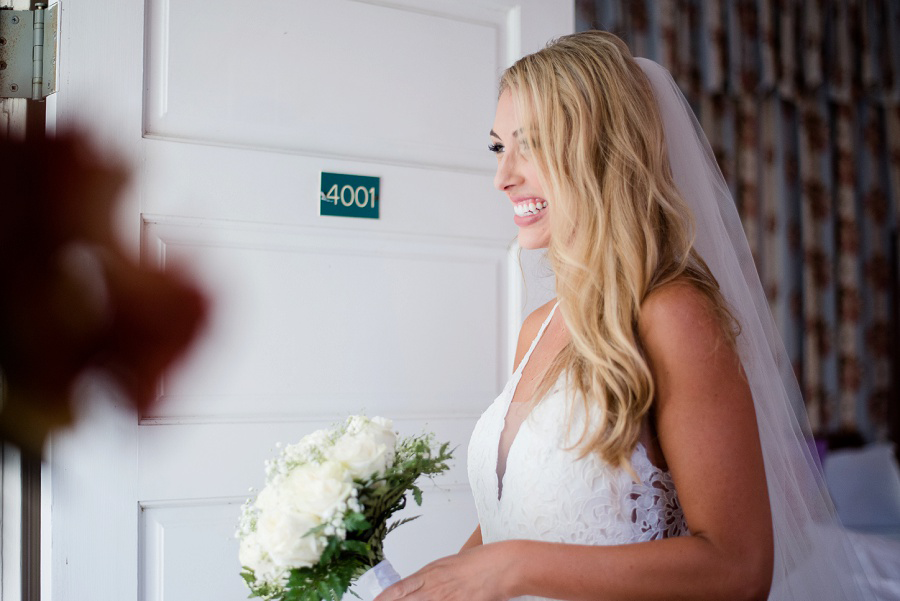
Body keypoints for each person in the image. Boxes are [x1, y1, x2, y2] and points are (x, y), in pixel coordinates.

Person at [374, 31, 895, 601]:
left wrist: (513, 567)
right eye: (499, 147)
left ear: (602, 149)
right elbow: (512, 518)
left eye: (535, 145)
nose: (504, 176)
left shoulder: (673, 315)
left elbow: (741, 568)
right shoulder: (538, 327)